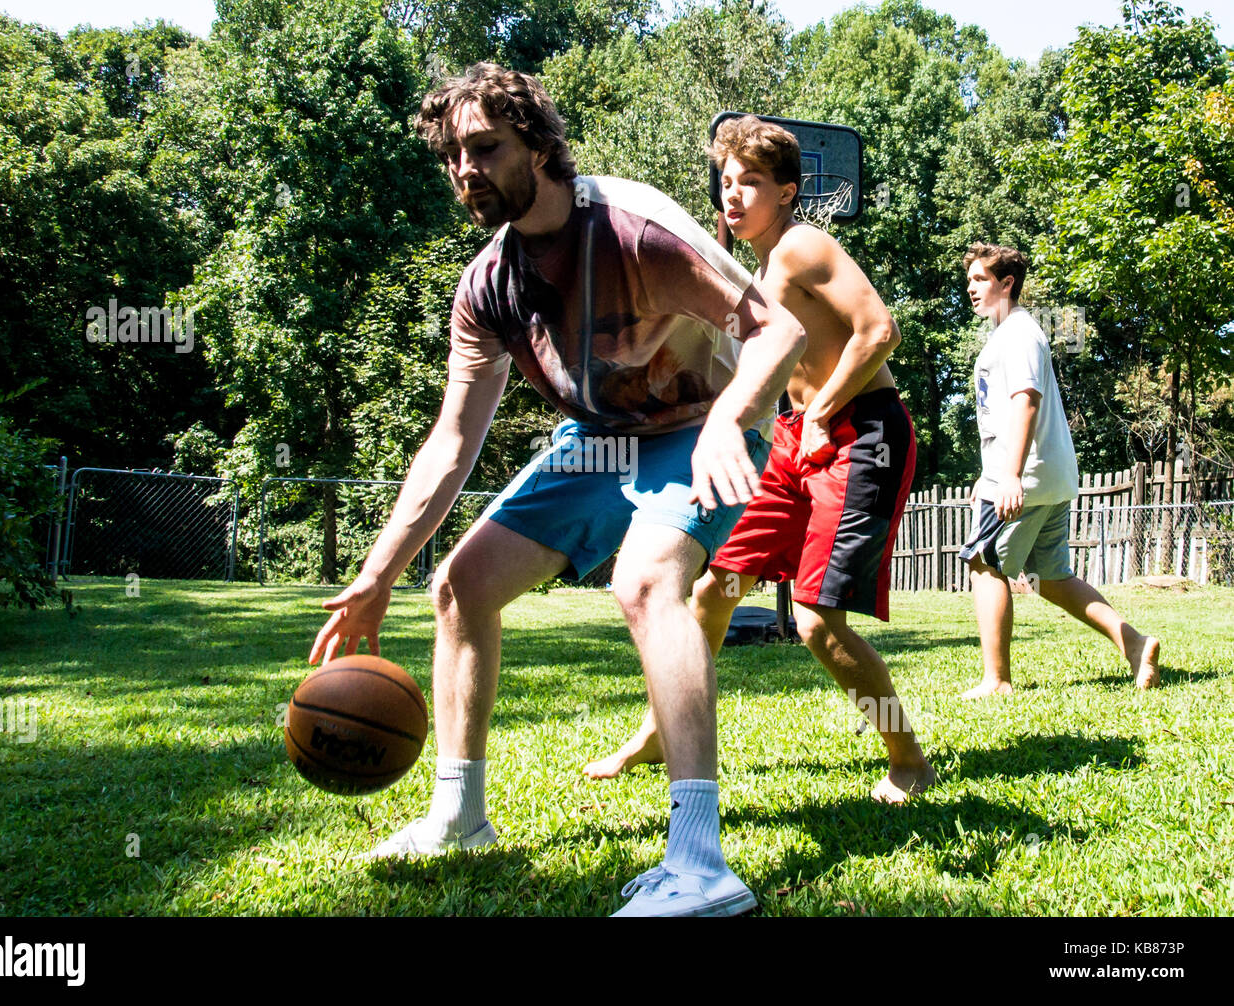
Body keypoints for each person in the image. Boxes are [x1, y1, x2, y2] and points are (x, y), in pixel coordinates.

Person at [307, 65, 806, 917]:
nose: (465, 169)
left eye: (483, 148)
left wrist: (732, 417)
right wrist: (377, 572)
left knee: (647, 579)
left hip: (701, 428)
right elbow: (453, 438)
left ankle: (700, 865)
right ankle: (459, 815)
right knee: (462, 587)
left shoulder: (634, 229)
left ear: (537, 146)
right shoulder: (487, 286)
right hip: (599, 444)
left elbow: (776, 327)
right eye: (452, 155)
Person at [585, 116, 936, 803]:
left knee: (815, 622)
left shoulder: (804, 245)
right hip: (795, 437)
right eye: (727, 182)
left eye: (751, 182)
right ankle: (662, 731)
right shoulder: (757, 270)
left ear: (787, 192)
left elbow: (879, 331)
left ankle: (908, 757)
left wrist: (822, 412)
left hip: (861, 432)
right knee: (715, 589)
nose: (734, 195)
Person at [957, 243, 1161, 697]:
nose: (970, 288)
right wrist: (990, 471)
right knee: (1050, 576)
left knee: (982, 562)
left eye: (980, 279)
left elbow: (1026, 400)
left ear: (1007, 284)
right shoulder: (1007, 334)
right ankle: (1134, 642)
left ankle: (996, 680)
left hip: (1024, 477)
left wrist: (1008, 477)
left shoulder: (1019, 334)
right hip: (1044, 475)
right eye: (969, 279)